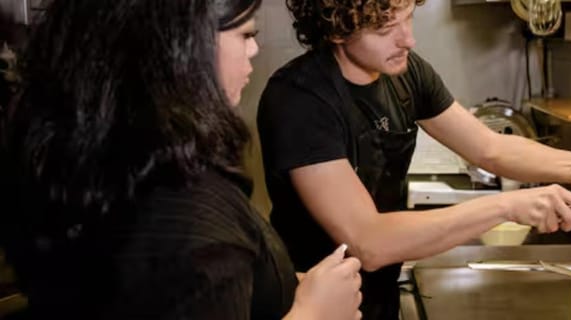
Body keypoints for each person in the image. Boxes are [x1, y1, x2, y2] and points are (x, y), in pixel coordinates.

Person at [257, 0, 571, 318]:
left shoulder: (407, 72)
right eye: (387, 27)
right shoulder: (299, 100)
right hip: (318, 306)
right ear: (337, 28)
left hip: (380, 297)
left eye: (409, 17)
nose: (408, 39)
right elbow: (368, 242)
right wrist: (506, 206)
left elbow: (489, 148)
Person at [0, 1, 362, 319]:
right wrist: (315, 313)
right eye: (244, 34)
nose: (253, 49)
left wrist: (281, 285)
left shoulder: (102, 156)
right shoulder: (185, 212)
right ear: (181, 46)